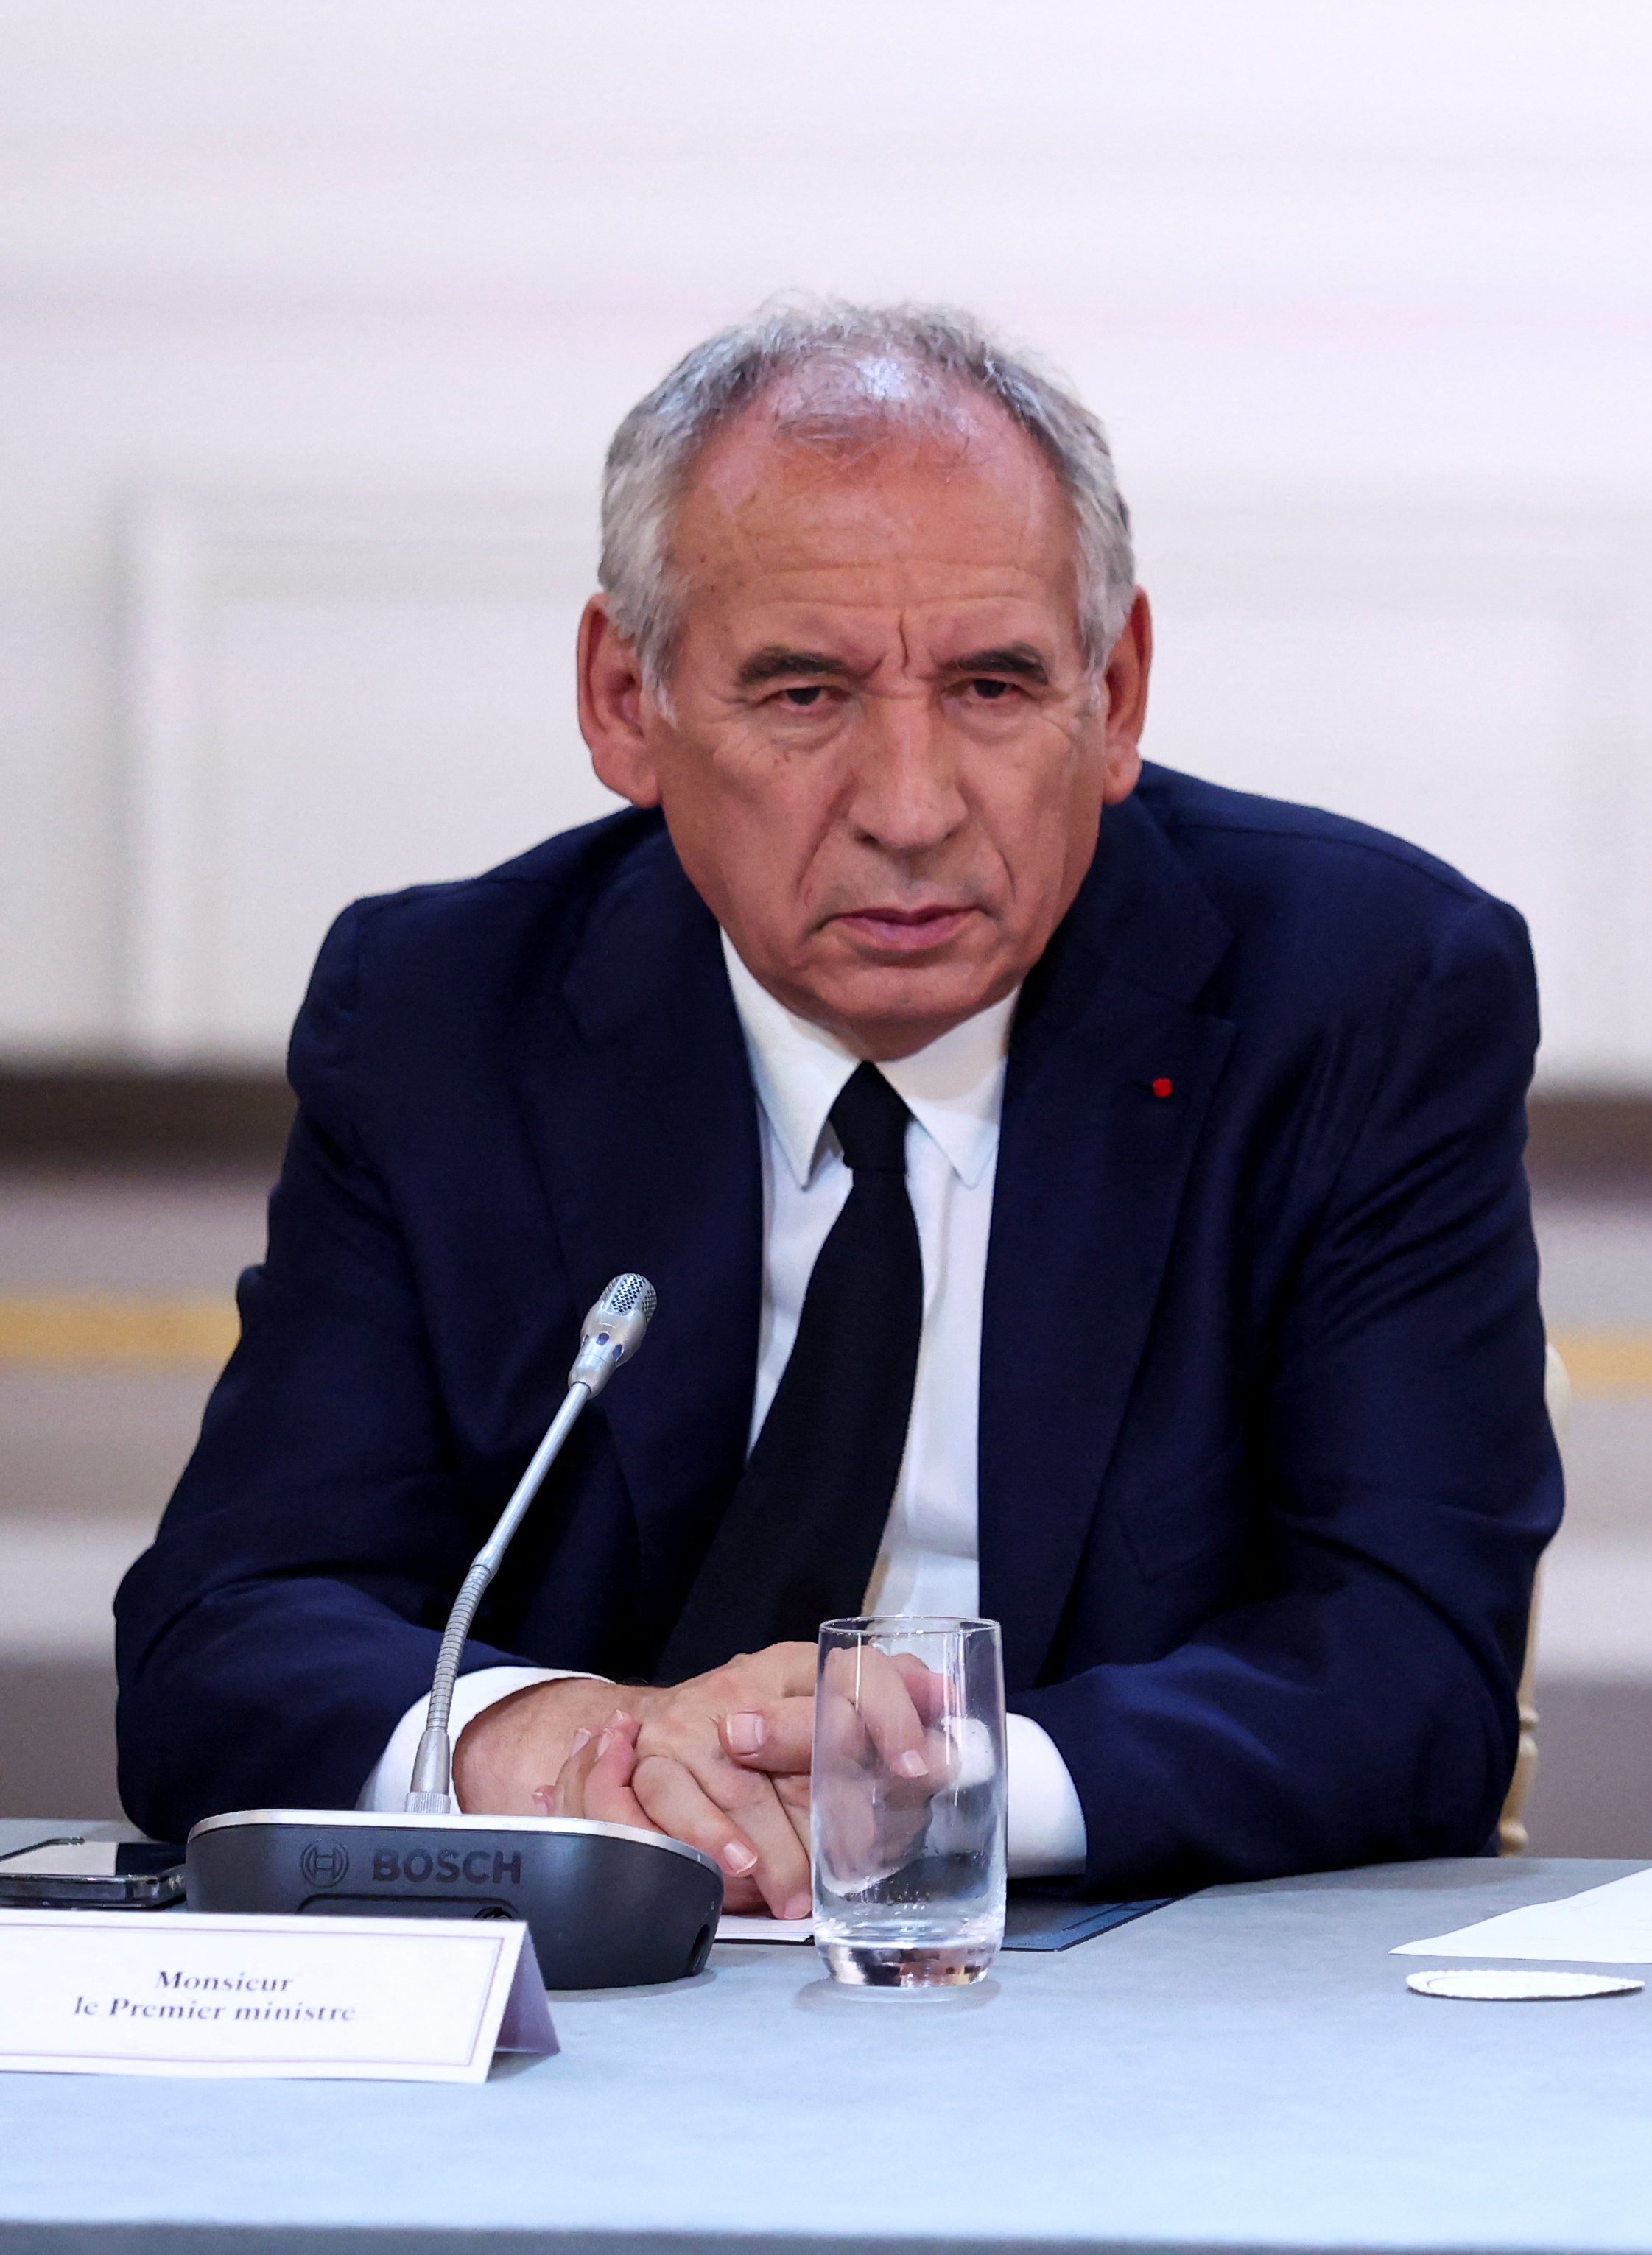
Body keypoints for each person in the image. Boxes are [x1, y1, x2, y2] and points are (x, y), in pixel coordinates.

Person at [116, 303, 1563, 1910]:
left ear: (1120, 691)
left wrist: (921, 1789)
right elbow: (225, 1637)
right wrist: (552, 1749)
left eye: (997, 688)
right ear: (623, 701)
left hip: (1142, 2011)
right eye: (805, 695)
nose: (912, 807)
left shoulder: (1359, 997)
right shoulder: (448, 1018)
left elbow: (1407, 1672)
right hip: (598, 2016)